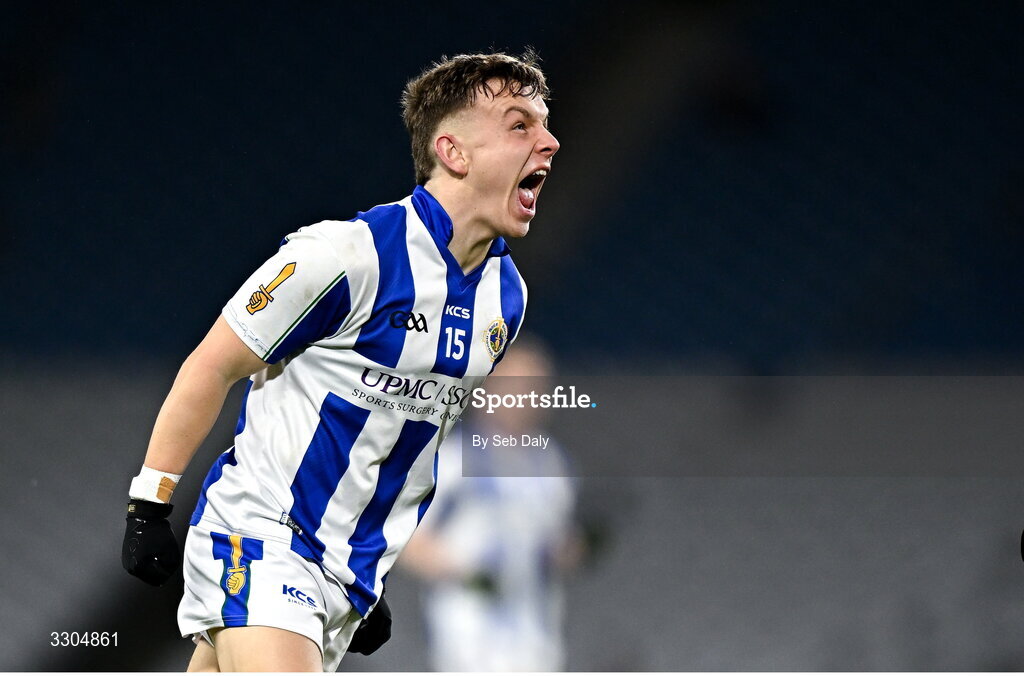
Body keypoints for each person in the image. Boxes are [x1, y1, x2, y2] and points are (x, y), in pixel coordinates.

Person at [120, 50, 559, 672]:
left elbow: (412, 438)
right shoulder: (346, 256)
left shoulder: (504, 299)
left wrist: (368, 571)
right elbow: (212, 365)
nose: (550, 141)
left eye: (543, 124)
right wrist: (150, 505)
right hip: (261, 538)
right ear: (455, 153)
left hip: (344, 578)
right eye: (520, 125)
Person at [400, 337, 582, 671]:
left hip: (536, 635)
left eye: (538, 387)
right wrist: (464, 571)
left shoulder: (552, 461)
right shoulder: (455, 458)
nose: (528, 398)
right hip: (469, 636)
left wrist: (565, 552)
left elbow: (558, 538)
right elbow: (407, 539)